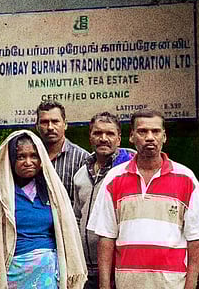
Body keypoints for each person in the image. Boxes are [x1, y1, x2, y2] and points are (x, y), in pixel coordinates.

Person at [87, 109, 199, 289]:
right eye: (143, 131)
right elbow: (105, 238)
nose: (150, 137)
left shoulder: (186, 179)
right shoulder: (114, 178)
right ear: (131, 136)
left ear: (164, 137)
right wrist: (104, 285)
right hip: (128, 284)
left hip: (171, 284)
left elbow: (196, 239)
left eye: (156, 131)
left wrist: (191, 285)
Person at [0, 130, 87, 289]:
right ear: (11, 160)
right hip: (11, 272)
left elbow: (67, 232)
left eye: (33, 156)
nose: (28, 162)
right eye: (21, 157)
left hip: (48, 273)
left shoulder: (52, 190)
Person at [73, 112, 135, 289]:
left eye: (110, 134)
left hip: (119, 267)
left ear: (119, 138)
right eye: (98, 133)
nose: (103, 138)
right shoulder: (81, 174)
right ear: (90, 137)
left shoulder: (129, 171)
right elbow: (77, 217)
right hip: (85, 267)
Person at [35, 100, 89, 203]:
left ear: (65, 124)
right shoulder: (30, 157)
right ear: (37, 126)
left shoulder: (82, 158)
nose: (50, 127)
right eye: (44, 122)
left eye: (55, 121)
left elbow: (85, 201)